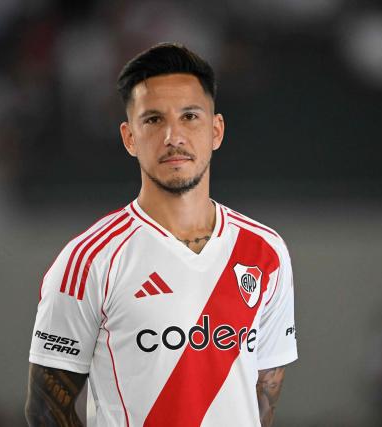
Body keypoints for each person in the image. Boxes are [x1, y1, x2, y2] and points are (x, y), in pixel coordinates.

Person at [25, 42, 298, 427]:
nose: (173, 136)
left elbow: (264, 396)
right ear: (129, 137)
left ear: (216, 130)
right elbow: (45, 411)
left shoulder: (266, 252)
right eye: (153, 120)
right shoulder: (89, 259)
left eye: (190, 116)